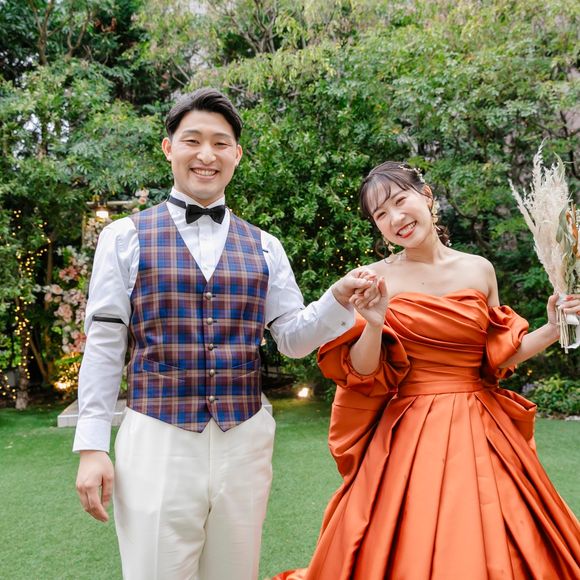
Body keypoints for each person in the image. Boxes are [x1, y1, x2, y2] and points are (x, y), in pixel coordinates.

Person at [73, 87, 380, 580]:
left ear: (236, 154)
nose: (206, 154)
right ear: (168, 148)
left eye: (220, 143)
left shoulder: (265, 246)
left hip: (244, 440)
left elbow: (291, 338)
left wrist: (337, 300)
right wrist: (92, 446)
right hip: (157, 439)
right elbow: (105, 344)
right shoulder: (124, 237)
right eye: (192, 140)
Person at [274, 161, 580, 580]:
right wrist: (374, 323)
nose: (395, 218)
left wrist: (551, 327)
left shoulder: (479, 268)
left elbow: (496, 357)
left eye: (401, 201)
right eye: (381, 214)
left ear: (427, 196)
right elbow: (364, 374)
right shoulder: (374, 278)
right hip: (411, 431)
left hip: (484, 425)